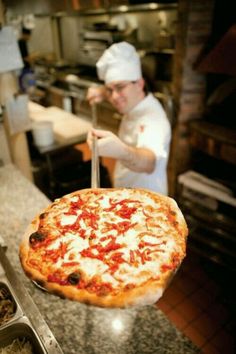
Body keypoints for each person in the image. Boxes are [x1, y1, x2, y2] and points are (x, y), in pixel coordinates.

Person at [86, 42, 171, 195]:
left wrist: (121, 152)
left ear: (139, 84)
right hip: (124, 194)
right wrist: (101, 92)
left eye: (120, 87)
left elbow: (149, 162)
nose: (114, 97)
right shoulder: (132, 102)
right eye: (110, 89)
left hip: (147, 204)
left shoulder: (154, 119)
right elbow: (114, 92)